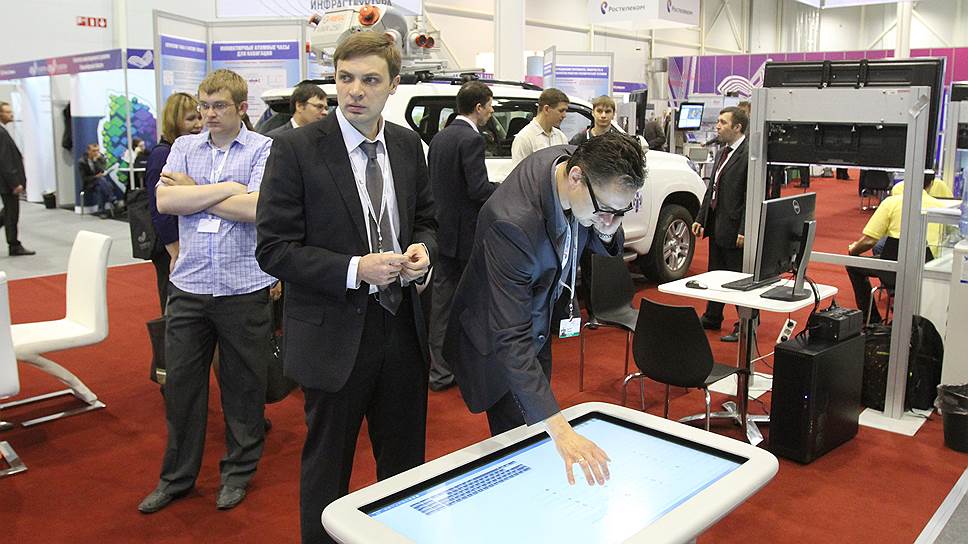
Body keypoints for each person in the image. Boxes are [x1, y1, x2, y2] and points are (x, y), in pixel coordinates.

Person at [254, 33, 436, 544]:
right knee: (327, 468)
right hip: (332, 332)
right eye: (345, 78)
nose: (355, 91)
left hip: (403, 328)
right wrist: (356, 268)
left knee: (404, 466)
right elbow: (274, 249)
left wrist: (424, 253)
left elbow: (427, 219)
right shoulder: (295, 148)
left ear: (393, 84)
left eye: (370, 80)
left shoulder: (407, 146)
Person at [444, 132, 645, 487]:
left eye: (621, 211)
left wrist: (606, 221)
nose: (611, 222)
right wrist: (560, 428)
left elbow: (602, 236)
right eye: (605, 211)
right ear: (576, 178)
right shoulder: (512, 224)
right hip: (497, 341)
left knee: (537, 437)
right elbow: (511, 339)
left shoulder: (575, 161)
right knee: (517, 451)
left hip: (539, 318)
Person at [137, 69, 275, 514]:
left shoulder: (263, 148)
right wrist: (229, 191)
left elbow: (257, 209)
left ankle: (237, 473)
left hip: (243, 287)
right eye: (204, 105)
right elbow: (165, 202)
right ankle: (176, 478)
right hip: (189, 285)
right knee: (180, 387)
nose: (209, 114)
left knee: (243, 388)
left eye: (219, 106)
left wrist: (196, 193)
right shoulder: (182, 147)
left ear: (241, 108)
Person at [426, 80, 496, 392]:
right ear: (478, 107)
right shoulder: (471, 139)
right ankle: (461, 368)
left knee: (441, 306)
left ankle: (440, 370)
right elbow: (478, 189)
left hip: (442, 234)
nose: (491, 112)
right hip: (465, 238)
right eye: (490, 106)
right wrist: (504, 190)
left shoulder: (440, 137)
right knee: (472, 304)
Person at [846, 174, 945, 324]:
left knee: (853, 265)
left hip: (894, 268)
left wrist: (853, 251)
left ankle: (871, 321)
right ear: (931, 184)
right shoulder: (941, 207)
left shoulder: (892, 202)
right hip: (929, 269)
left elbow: (869, 240)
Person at [691, 106, 749, 342]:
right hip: (717, 224)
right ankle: (713, 316)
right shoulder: (724, 152)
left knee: (738, 278)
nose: (717, 126)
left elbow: (750, 196)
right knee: (715, 272)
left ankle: (745, 324)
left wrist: (745, 229)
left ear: (737, 127)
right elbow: (712, 189)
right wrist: (700, 218)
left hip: (735, 228)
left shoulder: (749, 154)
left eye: (723, 122)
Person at [144, 92, 203, 313]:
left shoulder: (190, 151)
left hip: (186, 239)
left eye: (199, 118)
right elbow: (158, 208)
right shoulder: (163, 154)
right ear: (174, 121)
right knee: (172, 305)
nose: (198, 124)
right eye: (191, 119)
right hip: (170, 242)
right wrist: (174, 248)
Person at [0, 102, 34, 256]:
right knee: (12, 215)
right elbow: (5, 160)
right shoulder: (1, 133)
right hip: (8, 183)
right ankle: (14, 245)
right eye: (7, 112)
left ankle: (13, 244)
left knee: (7, 212)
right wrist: (15, 183)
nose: (11, 114)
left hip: (5, 181)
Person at [510, 88, 569, 168]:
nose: (564, 115)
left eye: (565, 111)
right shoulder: (525, 138)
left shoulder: (561, 137)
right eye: (561, 111)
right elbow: (519, 173)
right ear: (546, 109)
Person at [78, 143, 124, 218]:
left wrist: (96, 161)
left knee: (100, 187)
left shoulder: (100, 158)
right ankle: (113, 200)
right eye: (94, 151)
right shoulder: (82, 162)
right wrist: (95, 177)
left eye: (97, 150)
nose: (96, 153)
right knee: (101, 180)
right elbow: (84, 178)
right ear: (88, 151)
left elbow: (102, 170)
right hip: (89, 184)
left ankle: (102, 211)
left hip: (100, 184)